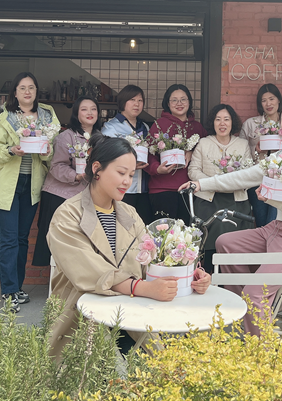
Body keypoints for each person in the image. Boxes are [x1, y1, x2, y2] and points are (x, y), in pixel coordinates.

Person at [47, 133, 211, 358]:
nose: (127, 181)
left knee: (154, 367)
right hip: (83, 316)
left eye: (132, 175)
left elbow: (153, 259)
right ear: (97, 169)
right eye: (121, 173)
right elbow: (89, 272)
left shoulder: (129, 214)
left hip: (131, 315)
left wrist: (188, 276)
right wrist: (142, 288)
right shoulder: (67, 215)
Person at [181, 101, 282, 336]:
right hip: (276, 229)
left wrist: (276, 201)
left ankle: (260, 348)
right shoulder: (281, 155)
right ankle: (243, 310)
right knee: (225, 243)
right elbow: (244, 176)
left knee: (255, 293)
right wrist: (201, 184)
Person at [0, 72, 58, 312]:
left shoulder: (47, 116)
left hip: (32, 184)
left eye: (31, 87)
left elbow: (53, 149)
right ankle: (8, 292)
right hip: (7, 184)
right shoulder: (5, 117)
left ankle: (17, 287)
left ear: (36, 91)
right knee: (9, 239)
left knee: (22, 239)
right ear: (15, 93)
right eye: (22, 88)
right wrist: (11, 150)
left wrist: (46, 151)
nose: (27, 92)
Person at [33, 96, 102, 267]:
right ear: (76, 114)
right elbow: (56, 166)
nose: (90, 112)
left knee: (78, 246)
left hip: (85, 198)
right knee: (57, 245)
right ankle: (55, 281)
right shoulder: (66, 137)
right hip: (59, 196)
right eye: (84, 109)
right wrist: (76, 176)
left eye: (93, 109)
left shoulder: (101, 139)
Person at [188, 104, 253, 273]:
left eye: (226, 119)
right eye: (218, 119)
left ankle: (231, 281)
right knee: (209, 243)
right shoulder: (204, 143)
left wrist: (228, 183)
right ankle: (209, 277)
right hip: (208, 201)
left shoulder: (242, 144)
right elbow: (193, 170)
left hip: (236, 201)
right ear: (213, 122)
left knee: (234, 245)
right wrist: (213, 183)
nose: (222, 123)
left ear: (232, 122)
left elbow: (248, 173)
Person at [144, 84, 206, 221]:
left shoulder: (197, 127)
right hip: (162, 189)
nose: (179, 103)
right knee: (164, 231)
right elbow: (147, 153)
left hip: (190, 189)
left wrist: (192, 152)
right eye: (174, 100)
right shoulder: (159, 125)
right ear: (168, 103)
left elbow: (206, 152)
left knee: (187, 232)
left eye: (183, 99)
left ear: (189, 102)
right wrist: (156, 169)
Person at [239, 83, 282, 227]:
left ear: (279, 100)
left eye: (272, 99)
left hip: (280, 179)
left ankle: (271, 241)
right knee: (261, 221)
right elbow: (240, 150)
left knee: (273, 221)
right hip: (257, 179)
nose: (268, 104)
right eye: (264, 100)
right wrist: (255, 149)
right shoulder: (250, 124)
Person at [101, 84, 152, 224]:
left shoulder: (145, 127)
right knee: (121, 227)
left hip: (143, 188)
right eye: (132, 100)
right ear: (123, 102)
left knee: (141, 227)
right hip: (122, 188)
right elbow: (106, 155)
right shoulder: (111, 127)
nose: (137, 104)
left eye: (140, 100)